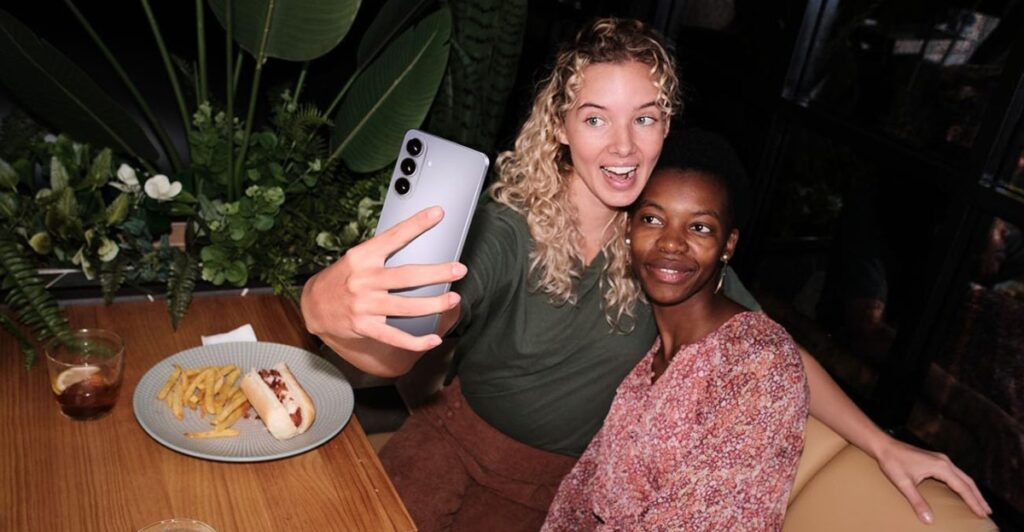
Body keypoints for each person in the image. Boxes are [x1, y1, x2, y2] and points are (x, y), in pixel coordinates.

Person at [300, 16, 991, 530]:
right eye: (596, 119)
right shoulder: (506, 229)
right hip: (448, 444)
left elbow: (767, 347)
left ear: (666, 127)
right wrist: (327, 314)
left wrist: (882, 443)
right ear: (560, 127)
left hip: (548, 494)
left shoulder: (666, 249)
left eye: (646, 119)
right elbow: (408, 339)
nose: (623, 147)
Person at [543, 128, 808, 530]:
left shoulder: (758, 362)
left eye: (699, 227)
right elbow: (584, 496)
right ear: (629, 230)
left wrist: (880, 442)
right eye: (653, 219)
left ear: (728, 245)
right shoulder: (647, 356)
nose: (671, 243)